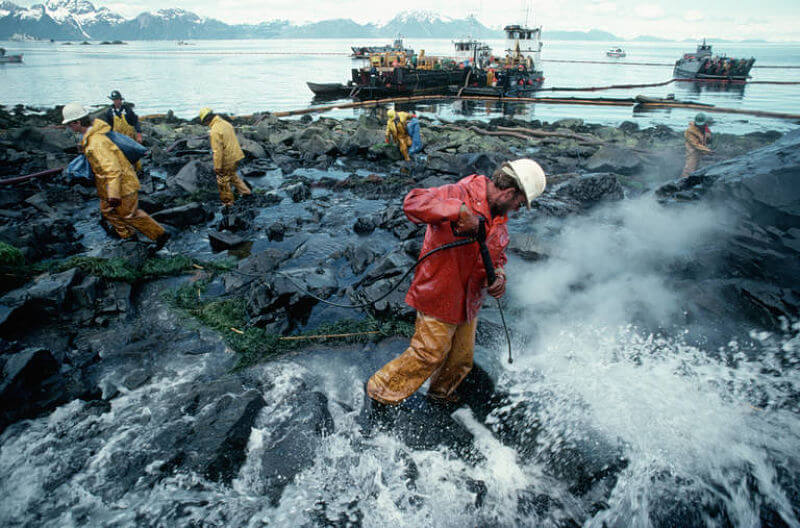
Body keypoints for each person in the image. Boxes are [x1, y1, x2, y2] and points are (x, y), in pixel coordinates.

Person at [366, 159, 547, 407]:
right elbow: (412, 202)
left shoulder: (500, 219)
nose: (518, 209)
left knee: (461, 359)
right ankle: (379, 392)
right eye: (520, 203)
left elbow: (498, 256)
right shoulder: (460, 193)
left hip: (469, 300)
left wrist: (500, 276)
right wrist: (459, 211)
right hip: (439, 293)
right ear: (509, 192)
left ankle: (440, 394)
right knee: (428, 354)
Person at [62, 102, 169, 248]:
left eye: (70, 124)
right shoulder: (91, 138)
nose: (69, 127)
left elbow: (113, 169)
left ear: (77, 122)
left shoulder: (97, 142)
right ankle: (128, 237)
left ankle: (160, 235)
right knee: (108, 212)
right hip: (107, 185)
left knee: (129, 215)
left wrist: (113, 195)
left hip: (121, 185)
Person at [198, 107, 252, 206]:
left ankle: (227, 203)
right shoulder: (226, 124)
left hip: (227, 158)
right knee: (232, 176)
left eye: (204, 122)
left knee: (222, 180)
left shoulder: (214, 131)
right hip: (236, 155)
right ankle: (246, 192)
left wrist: (217, 167)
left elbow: (217, 151)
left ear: (206, 120)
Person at [102, 90, 143, 171]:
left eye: (118, 99)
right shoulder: (109, 112)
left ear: (121, 100)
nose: (116, 101)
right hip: (118, 139)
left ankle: (138, 171)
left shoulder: (128, 110)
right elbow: (108, 127)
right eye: (114, 100)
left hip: (130, 138)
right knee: (120, 157)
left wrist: (139, 135)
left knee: (135, 156)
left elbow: (136, 121)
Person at [680, 112, 713, 178]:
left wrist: (708, 138)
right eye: (699, 124)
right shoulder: (689, 131)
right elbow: (695, 144)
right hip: (692, 150)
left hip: (701, 149)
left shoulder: (705, 127)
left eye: (702, 124)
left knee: (696, 166)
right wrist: (707, 150)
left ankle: (691, 181)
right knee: (690, 168)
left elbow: (706, 137)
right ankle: (682, 181)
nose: (700, 125)